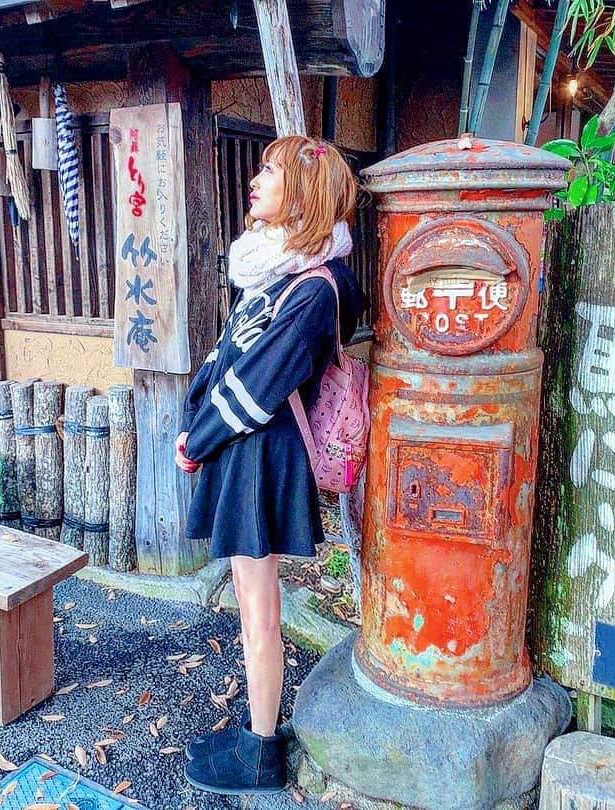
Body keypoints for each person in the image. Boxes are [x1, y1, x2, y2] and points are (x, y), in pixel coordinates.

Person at [176, 135, 365, 795]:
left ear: (303, 193)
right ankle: (261, 727)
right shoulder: (279, 272)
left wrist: (196, 439)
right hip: (247, 447)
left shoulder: (315, 288)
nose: (255, 181)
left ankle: (260, 749)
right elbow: (228, 352)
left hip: (261, 454)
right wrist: (194, 417)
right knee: (254, 599)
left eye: (269, 171)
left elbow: (257, 384)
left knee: (259, 606)